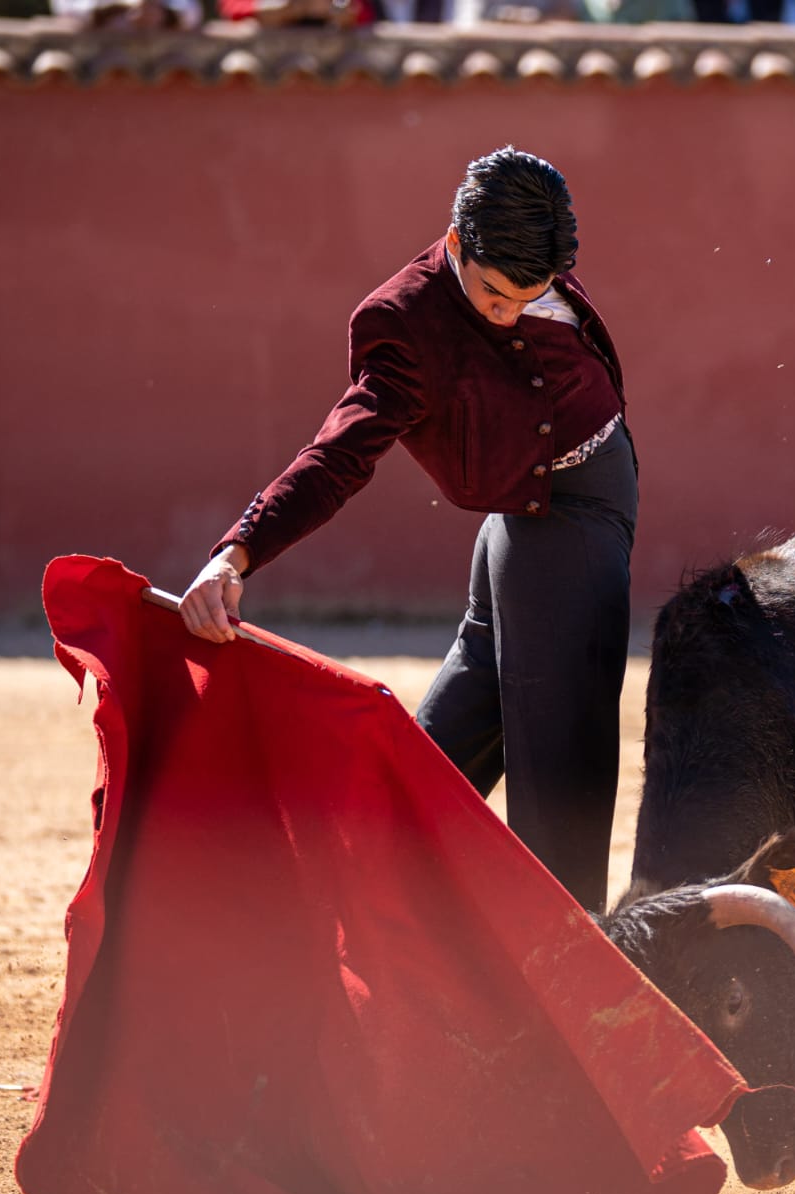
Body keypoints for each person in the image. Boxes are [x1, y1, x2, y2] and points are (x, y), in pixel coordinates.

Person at [180, 149, 638, 916]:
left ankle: (348, 916)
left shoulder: (527, 241)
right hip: (550, 527)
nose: (508, 313)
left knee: (450, 759)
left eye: (528, 297)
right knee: (558, 775)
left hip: (537, 524)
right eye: (493, 296)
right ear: (455, 245)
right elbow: (337, 455)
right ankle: (550, 965)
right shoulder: (406, 323)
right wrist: (237, 552)